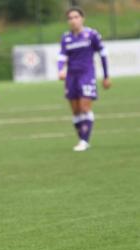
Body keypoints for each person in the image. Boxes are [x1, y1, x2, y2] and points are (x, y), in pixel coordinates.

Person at [58, 7, 111, 152]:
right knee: (75, 111)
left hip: (87, 75)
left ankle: (84, 141)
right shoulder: (66, 38)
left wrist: (106, 76)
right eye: (70, 18)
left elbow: (103, 53)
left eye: (76, 17)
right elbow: (62, 56)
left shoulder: (91, 34)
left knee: (84, 107)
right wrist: (60, 69)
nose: (73, 20)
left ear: (82, 18)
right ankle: (82, 138)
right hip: (71, 77)